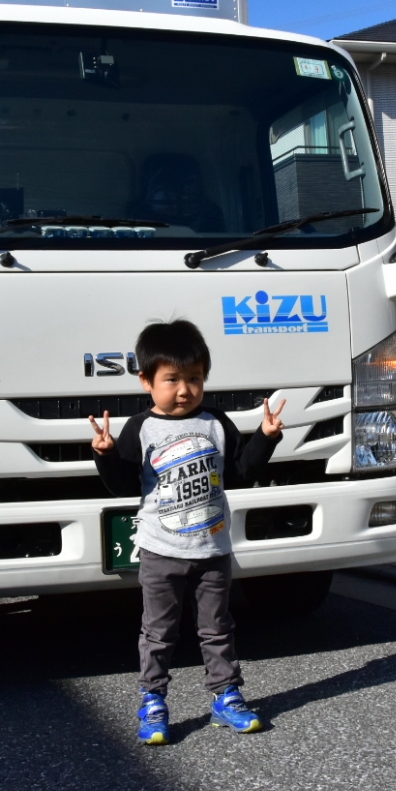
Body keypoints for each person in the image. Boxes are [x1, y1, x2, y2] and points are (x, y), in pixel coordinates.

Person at [89, 319, 285, 745]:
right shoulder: (140, 429)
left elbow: (239, 473)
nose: (185, 390)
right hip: (161, 551)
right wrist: (105, 456)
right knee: (158, 632)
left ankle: (226, 696)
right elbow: (123, 486)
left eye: (194, 378)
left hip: (212, 549)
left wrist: (266, 438)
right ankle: (153, 701)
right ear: (146, 381)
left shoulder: (216, 422)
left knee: (217, 628)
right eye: (172, 379)